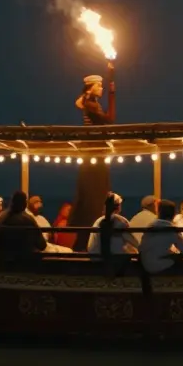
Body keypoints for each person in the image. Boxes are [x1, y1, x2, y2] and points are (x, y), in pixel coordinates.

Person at [70, 68, 116, 249]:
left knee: (93, 192)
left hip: (93, 153)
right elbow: (109, 120)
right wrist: (113, 94)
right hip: (93, 152)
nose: (102, 88)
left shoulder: (92, 103)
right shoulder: (90, 104)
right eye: (99, 85)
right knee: (94, 193)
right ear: (90, 87)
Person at [136, 199, 183, 274]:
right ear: (173, 214)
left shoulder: (150, 225)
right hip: (159, 265)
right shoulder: (171, 229)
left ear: (159, 212)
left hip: (145, 264)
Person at [0, 191, 48, 259]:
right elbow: (42, 245)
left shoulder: (2, 216)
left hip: (3, 260)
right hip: (24, 261)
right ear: (24, 203)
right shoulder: (28, 219)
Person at [85, 192, 136, 257]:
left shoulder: (98, 221)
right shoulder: (121, 221)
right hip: (114, 260)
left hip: (95, 257)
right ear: (118, 207)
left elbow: (91, 247)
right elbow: (133, 241)